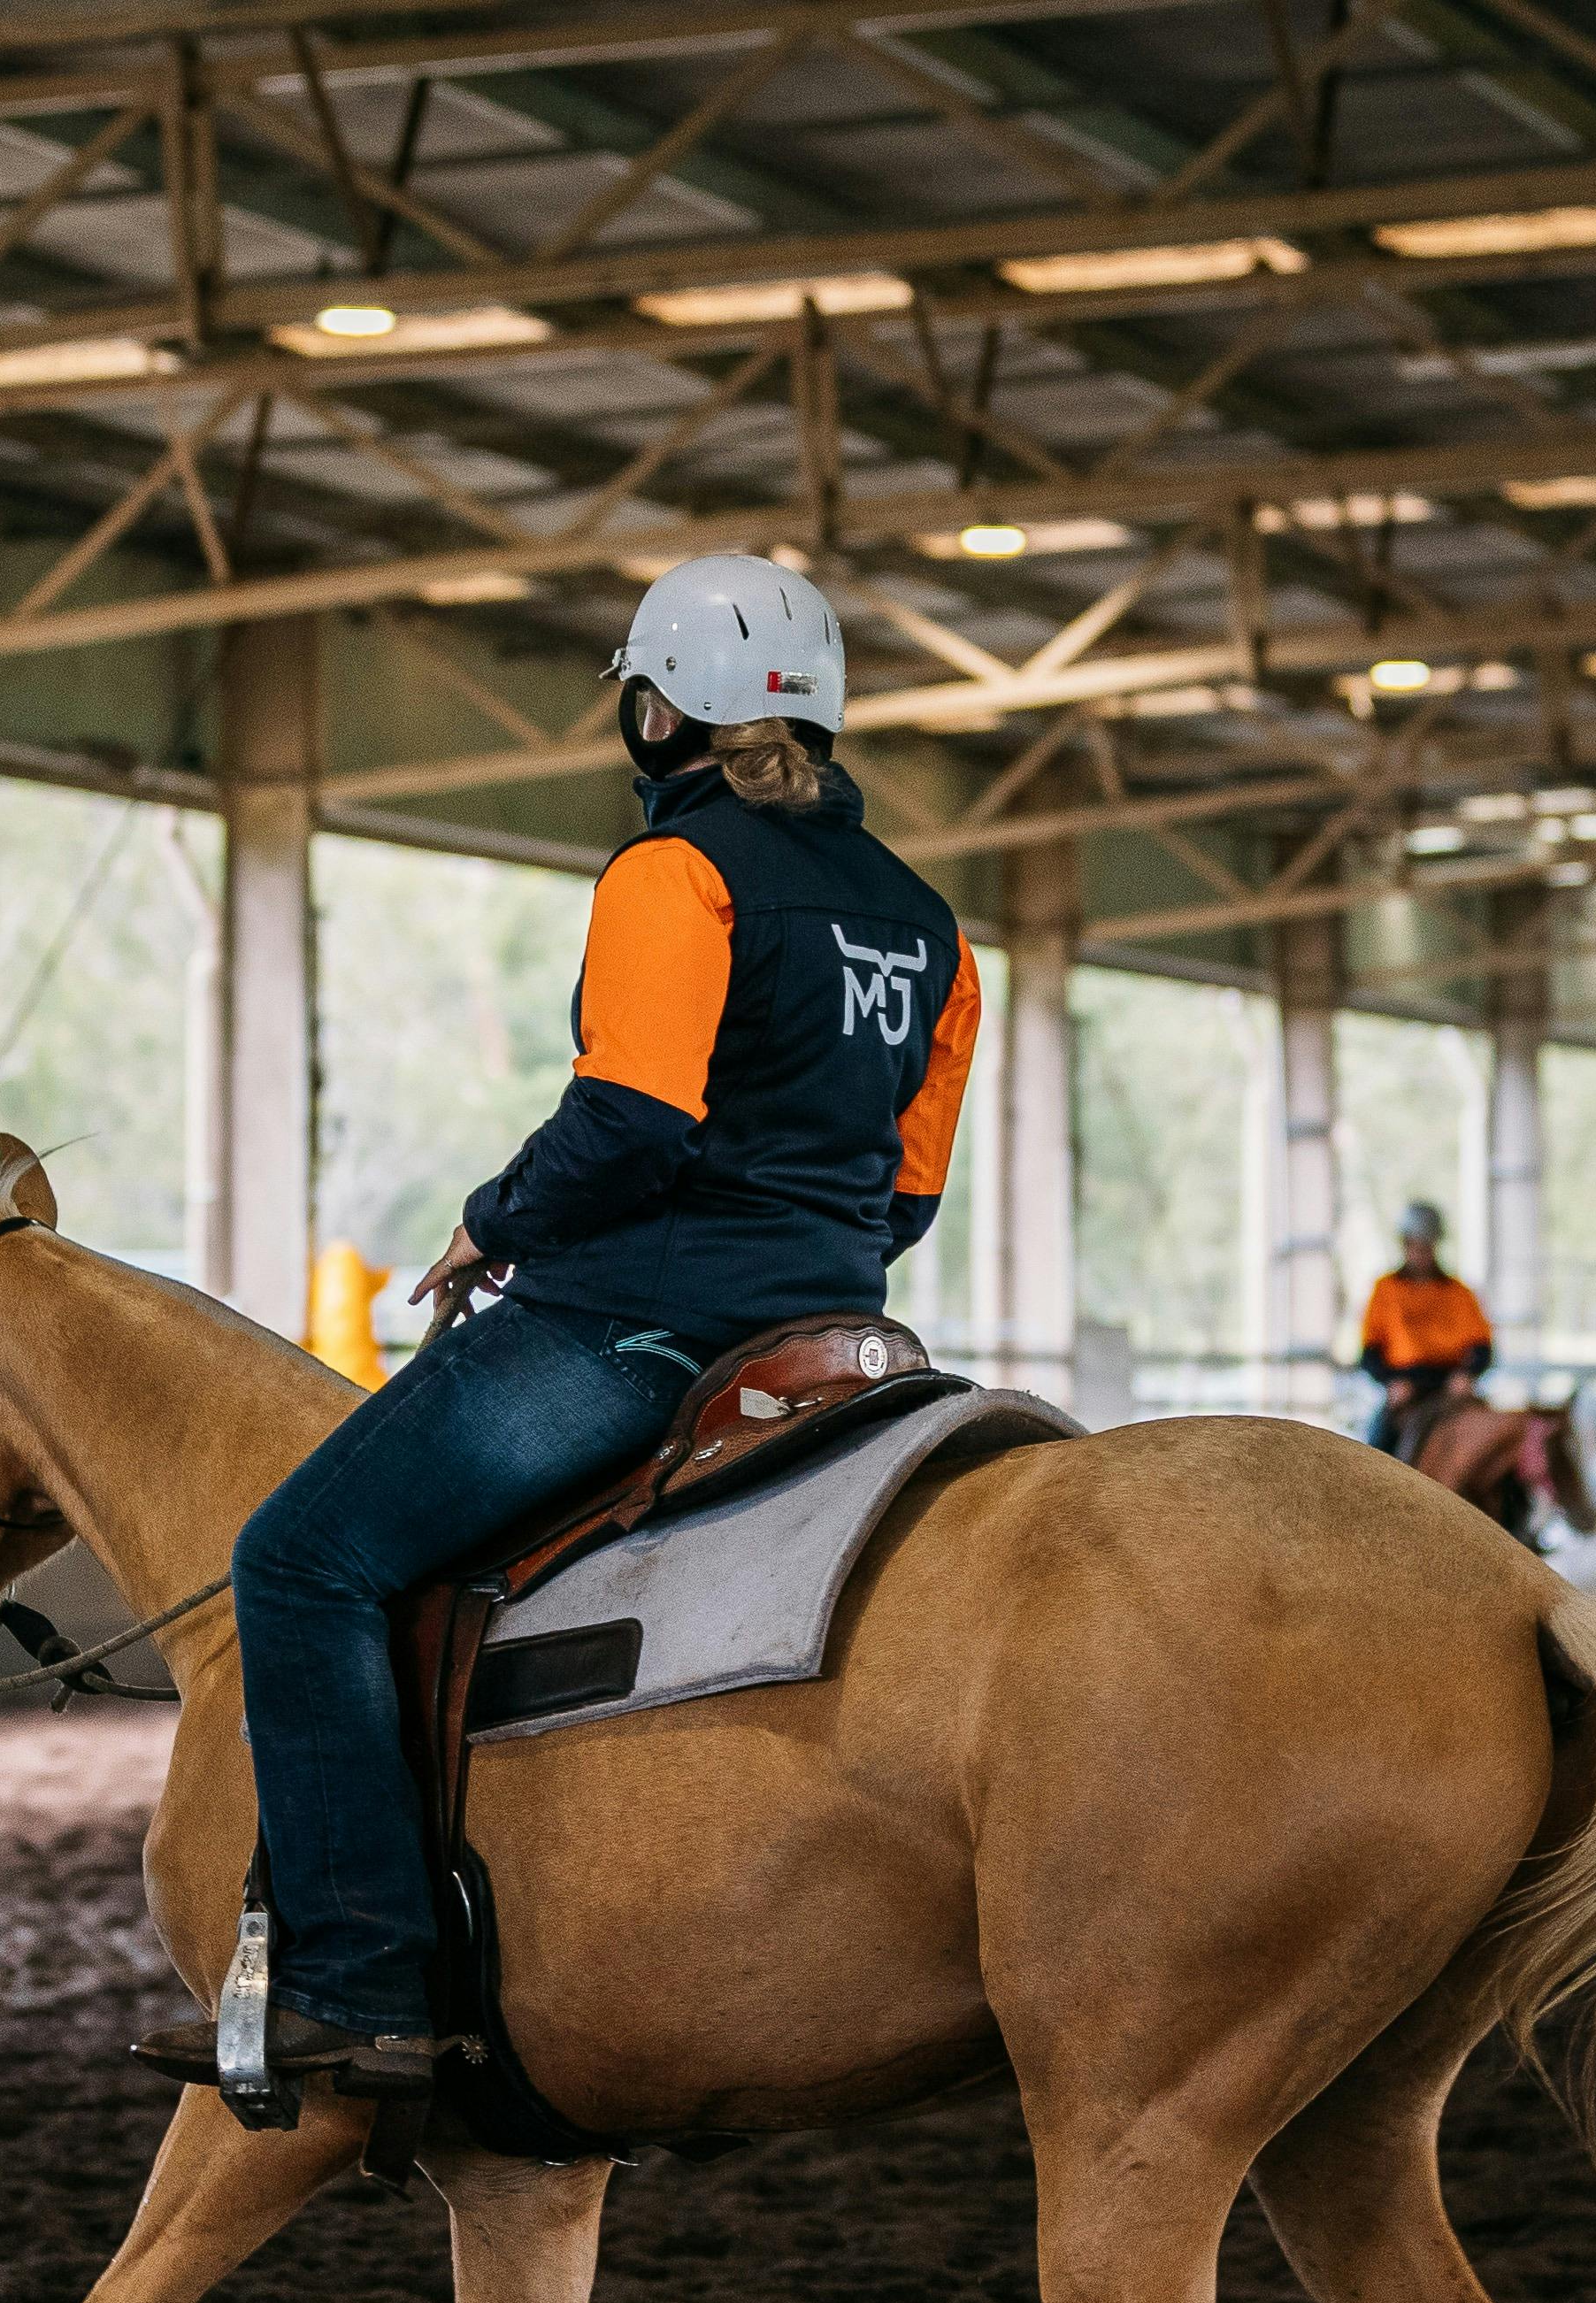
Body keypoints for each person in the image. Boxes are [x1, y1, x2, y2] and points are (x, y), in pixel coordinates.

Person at [156, 552, 982, 2094]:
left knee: (300, 1557)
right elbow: (908, 1200)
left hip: (642, 1329)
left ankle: (360, 1979)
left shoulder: (674, 872)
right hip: (836, 1333)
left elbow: (629, 1124)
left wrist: (495, 1217)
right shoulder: (934, 931)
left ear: (661, 710)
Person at [1356, 1200, 1492, 1463]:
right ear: (1405, 1245)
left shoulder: (1459, 1292)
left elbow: (1482, 1348)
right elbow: (1369, 1352)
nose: (1421, 1253)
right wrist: (1392, 1383)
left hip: (1450, 1384)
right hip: (1406, 1386)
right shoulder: (1386, 1290)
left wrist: (1467, 1375)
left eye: (1426, 1246)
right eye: (1415, 1246)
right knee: (1375, 1450)